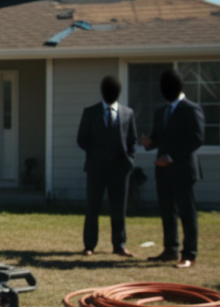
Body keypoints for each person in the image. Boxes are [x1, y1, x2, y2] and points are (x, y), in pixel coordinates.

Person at [140, 69, 205, 268]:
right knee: (167, 212)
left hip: (183, 170)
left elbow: (197, 139)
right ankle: (170, 250)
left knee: (187, 213)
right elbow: (158, 138)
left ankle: (189, 255)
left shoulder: (191, 109)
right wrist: (149, 142)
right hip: (163, 171)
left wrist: (171, 157)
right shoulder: (161, 112)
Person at [76, 76, 137, 256]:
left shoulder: (128, 113)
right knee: (93, 207)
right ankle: (89, 246)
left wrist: (130, 160)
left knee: (118, 208)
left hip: (120, 169)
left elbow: (132, 140)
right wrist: (97, 154)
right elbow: (82, 139)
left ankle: (119, 245)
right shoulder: (90, 112)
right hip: (96, 169)